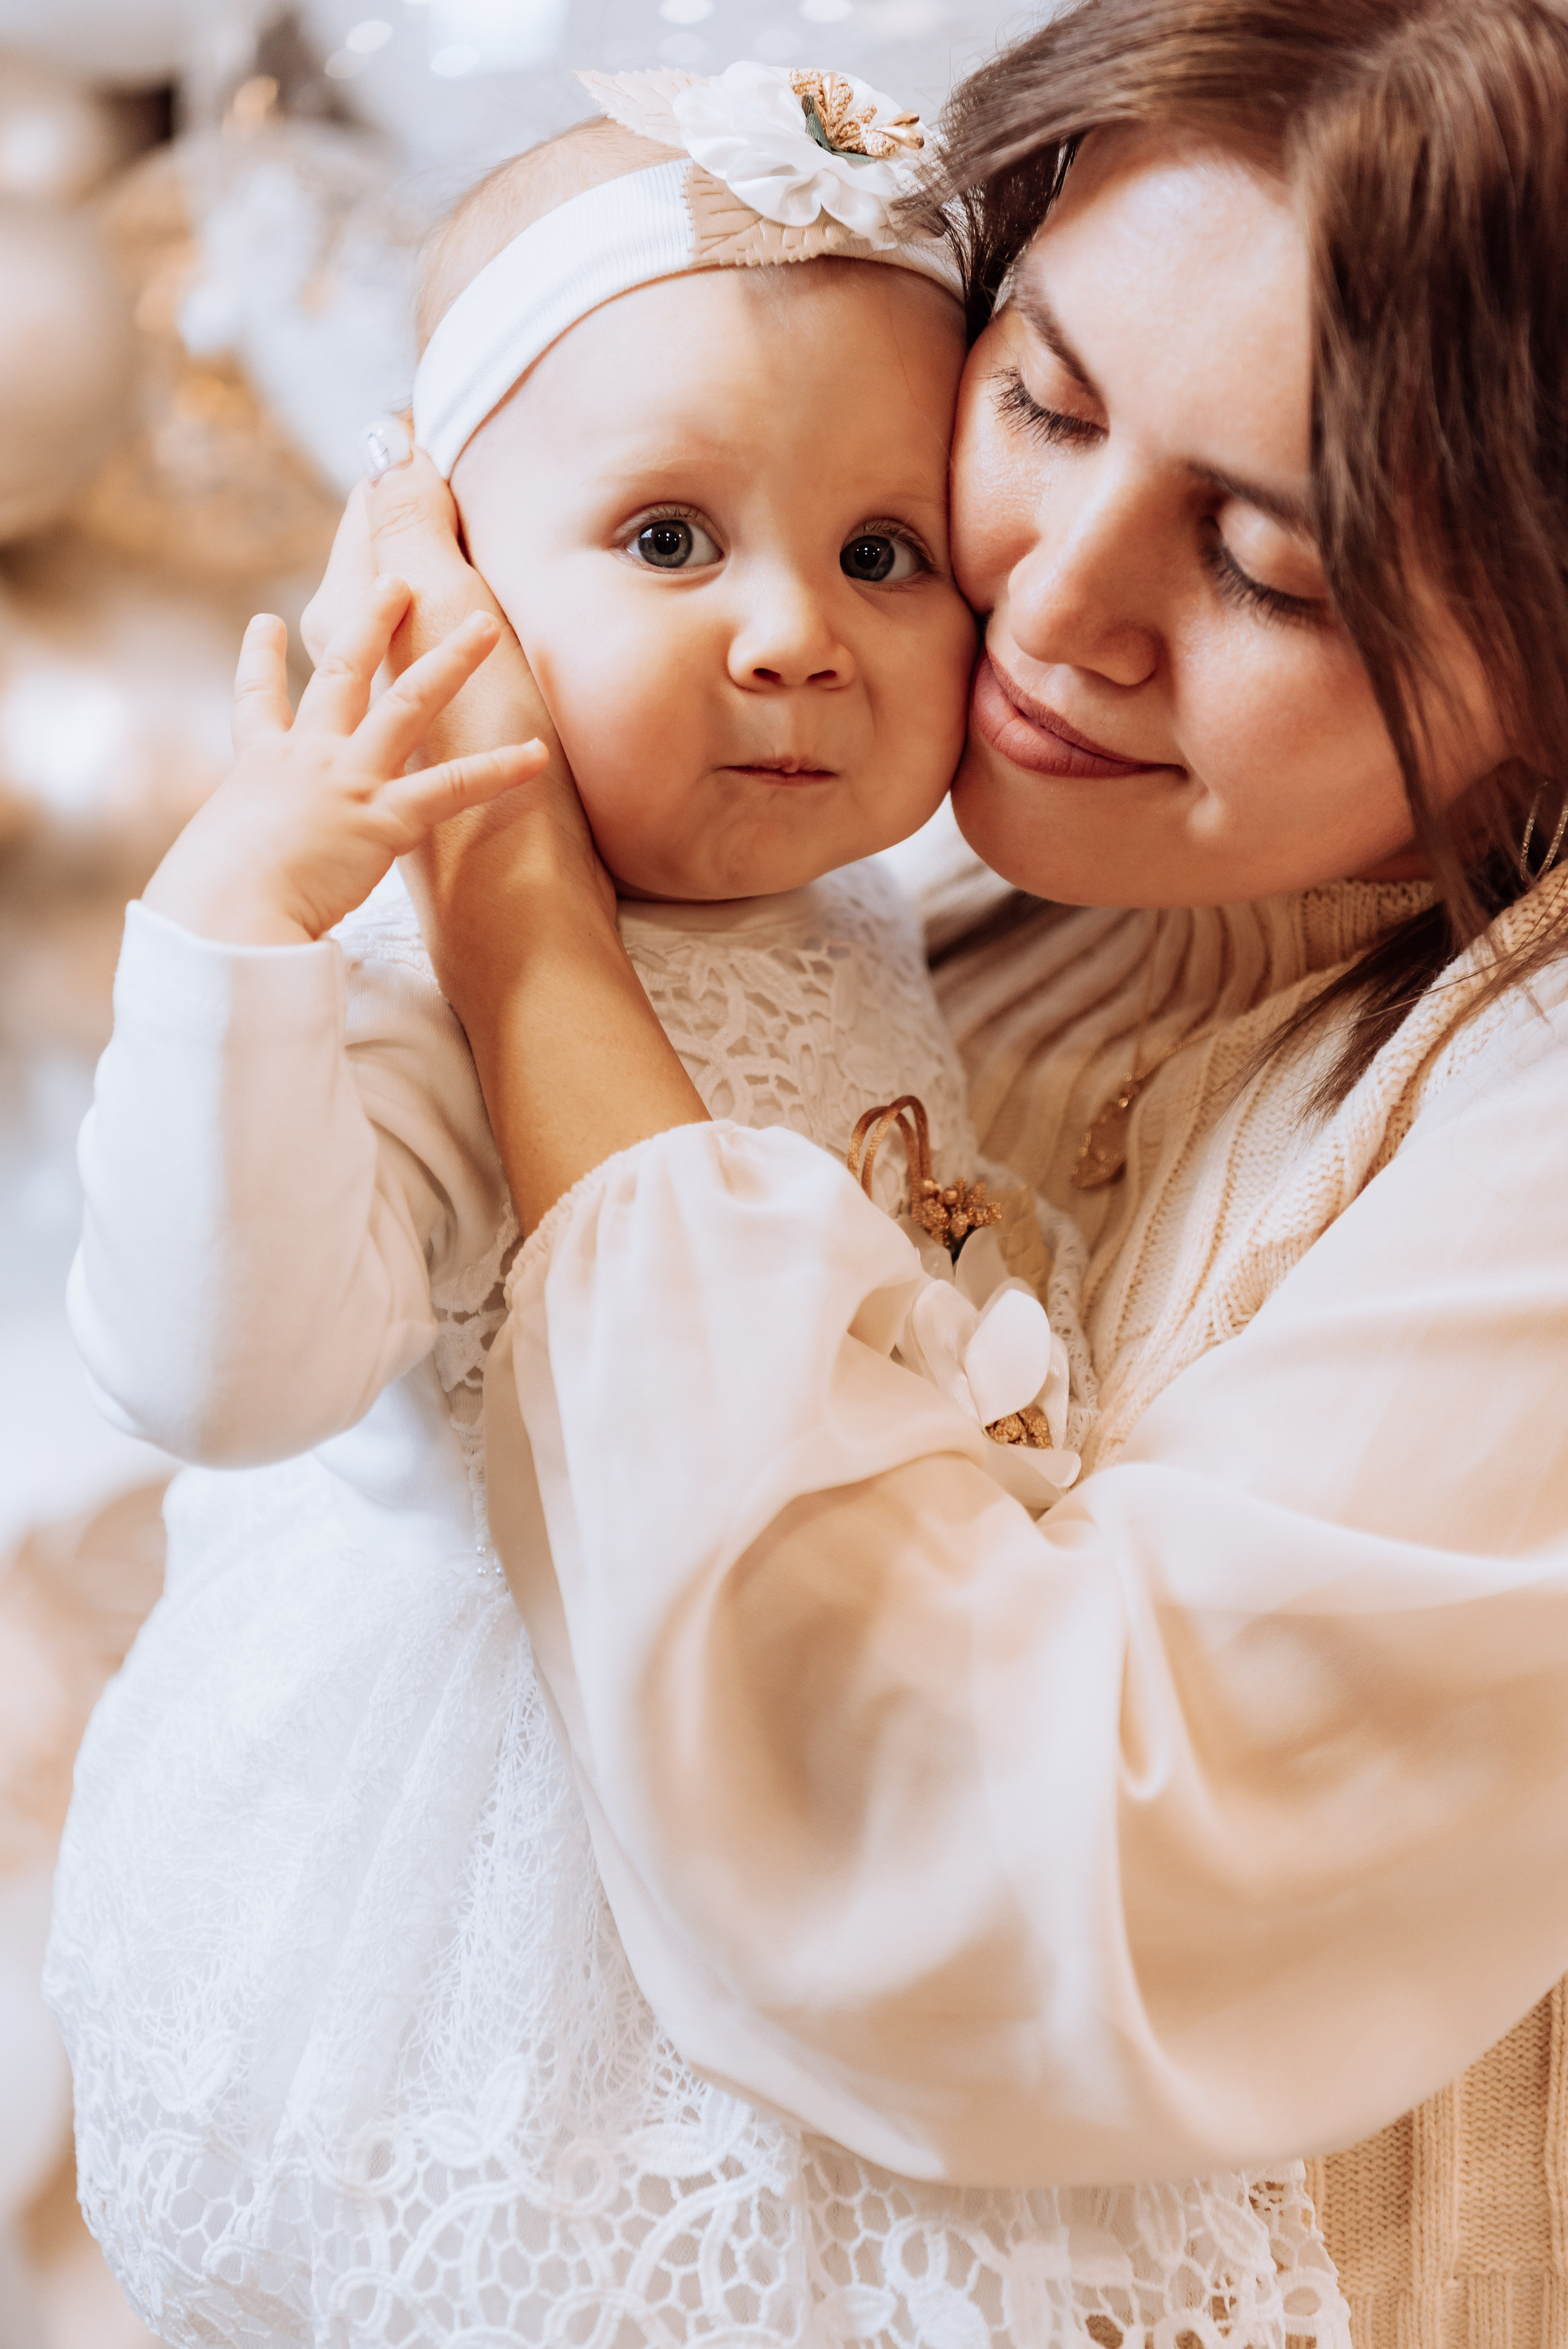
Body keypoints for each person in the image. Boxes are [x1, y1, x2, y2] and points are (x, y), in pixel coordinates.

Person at [45, 63, 1346, 2349]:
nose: (791, 636)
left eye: (882, 552)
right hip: (526, 1851)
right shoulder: (414, 976)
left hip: (840, 1746)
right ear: (446, 575)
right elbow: (218, 1367)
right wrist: (240, 920)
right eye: (668, 538)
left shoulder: (878, 901)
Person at [348, 1, 1568, 2342]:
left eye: (1277, 569)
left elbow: (995, 1855)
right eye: (1044, 400)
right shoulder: (934, 902)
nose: (1050, 596)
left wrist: (518, 919)